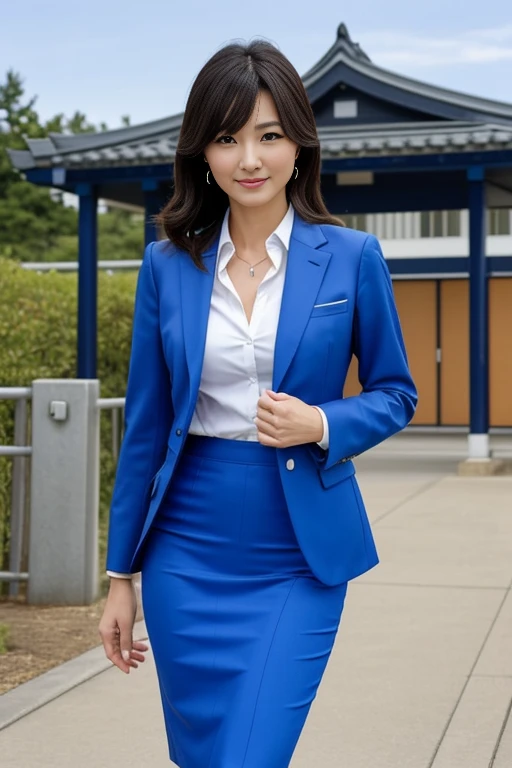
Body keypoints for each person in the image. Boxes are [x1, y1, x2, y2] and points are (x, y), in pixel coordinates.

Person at [99, 38, 417, 768]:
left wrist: (323, 421)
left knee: (250, 755)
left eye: (269, 136)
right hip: (186, 545)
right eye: (227, 137)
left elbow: (398, 394)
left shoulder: (351, 257)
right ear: (202, 154)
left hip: (296, 554)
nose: (249, 158)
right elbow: (144, 429)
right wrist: (121, 578)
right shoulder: (166, 266)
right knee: (205, 756)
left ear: (299, 148)